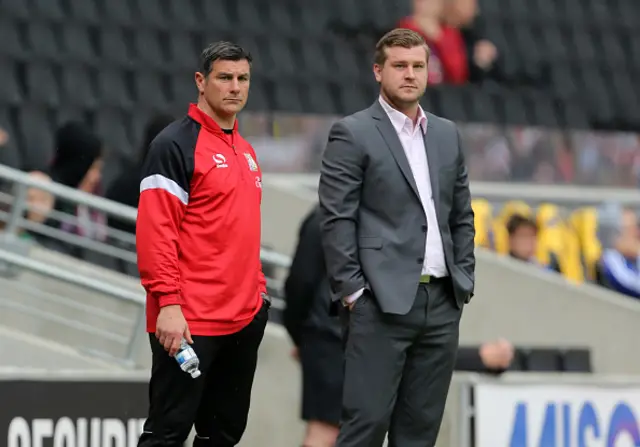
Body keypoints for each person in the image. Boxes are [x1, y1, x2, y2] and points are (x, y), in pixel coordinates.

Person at [318, 28, 475, 447]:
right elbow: (336, 220)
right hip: (379, 306)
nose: (410, 74)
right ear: (378, 71)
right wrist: (354, 294)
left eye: (418, 66)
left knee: (419, 435)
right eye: (400, 66)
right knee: (365, 428)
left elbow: (462, 215)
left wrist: (464, 280)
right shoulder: (352, 133)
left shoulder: (446, 134)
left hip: (441, 303)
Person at [136, 41, 269, 447]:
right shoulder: (174, 144)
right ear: (201, 81)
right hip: (189, 323)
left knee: (223, 435)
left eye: (242, 78)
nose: (235, 87)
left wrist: (258, 294)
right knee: (167, 433)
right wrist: (169, 304)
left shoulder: (246, 151)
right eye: (224, 77)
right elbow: (156, 231)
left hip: (244, 319)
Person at [284, 204, 343, 447]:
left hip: (332, 337)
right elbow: (301, 282)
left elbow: (299, 282)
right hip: (330, 339)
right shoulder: (327, 216)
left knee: (331, 432)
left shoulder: (326, 214)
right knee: (324, 432)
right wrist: (301, 336)